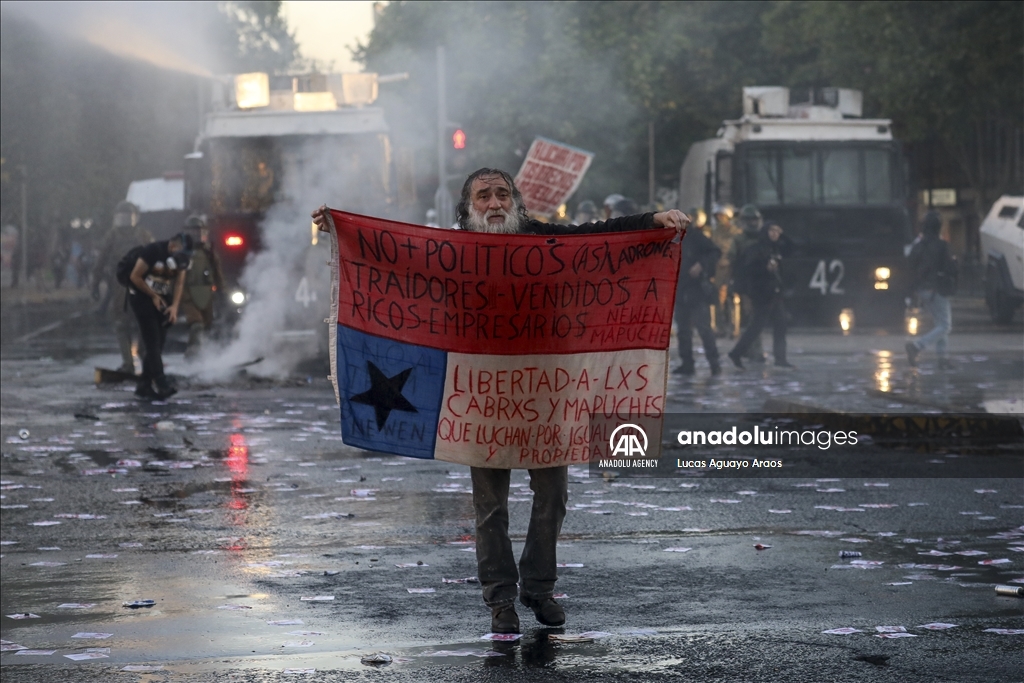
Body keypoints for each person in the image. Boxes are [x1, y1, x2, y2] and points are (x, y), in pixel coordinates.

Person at [313, 168, 689, 634]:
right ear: (469, 205)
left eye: (502, 194)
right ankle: (501, 601)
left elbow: (598, 237)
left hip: (548, 393)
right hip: (481, 397)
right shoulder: (452, 250)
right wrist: (340, 227)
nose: (495, 202)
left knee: (552, 497)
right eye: (484, 195)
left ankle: (539, 589)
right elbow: (393, 253)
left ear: (516, 201)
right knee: (490, 507)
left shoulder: (541, 238)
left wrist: (655, 219)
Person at [126, 233, 192, 399]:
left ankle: (144, 385)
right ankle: (161, 383)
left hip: (163, 297)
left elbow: (180, 282)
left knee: (160, 341)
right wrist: (153, 296)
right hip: (141, 296)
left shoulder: (182, 259)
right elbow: (135, 276)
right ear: (172, 246)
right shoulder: (153, 251)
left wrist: (175, 307)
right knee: (152, 340)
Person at [91, 201, 153, 374]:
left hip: (134, 285)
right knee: (124, 324)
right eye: (122, 217)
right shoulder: (116, 236)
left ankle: (134, 360)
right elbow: (101, 261)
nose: (125, 221)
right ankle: (132, 362)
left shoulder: (140, 235)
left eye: (128, 217)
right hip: (124, 285)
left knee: (130, 324)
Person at [727, 221, 794, 369]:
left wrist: (784, 235)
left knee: (780, 324)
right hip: (762, 293)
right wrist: (765, 269)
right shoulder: (756, 249)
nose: (775, 234)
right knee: (757, 326)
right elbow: (749, 270)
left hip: (774, 292)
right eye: (772, 231)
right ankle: (737, 353)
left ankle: (780, 358)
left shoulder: (776, 248)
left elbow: (791, 249)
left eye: (777, 232)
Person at [905, 211, 954, 369]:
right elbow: (949, 267)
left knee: (940, 323)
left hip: (922, 289)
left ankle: (942, 359)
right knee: (945, 325)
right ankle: (917, 346)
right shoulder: (942, 245)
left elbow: (910, 265)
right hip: (937, 288)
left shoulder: (918, 245)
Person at [674, 227, 721, 375]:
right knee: (683, 330)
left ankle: (714, 363)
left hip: (696, 288)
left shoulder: (694, 236)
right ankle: (687, 363)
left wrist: (701, 264)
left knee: (703, 328)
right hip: (679, 288)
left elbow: (714, 252)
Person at [179, 216, 224, 359]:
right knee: (197, 325)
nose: (196, 235)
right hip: (188, 295)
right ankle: (192, 353)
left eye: (199, 232)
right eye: (192, 232)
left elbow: (218, 274)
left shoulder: (209, 253)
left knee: (207, 328)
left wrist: (224, 292)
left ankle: (205, 357)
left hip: (206, 295)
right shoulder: (181, 254)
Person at [732, 204, 766, 363]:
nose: (753, 223)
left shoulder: (763, 238)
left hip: (760, 283)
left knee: (755, 319)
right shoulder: (738, 240)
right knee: (751, 318)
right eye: (749, 220)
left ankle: (751, 350)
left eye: (755, 220)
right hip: (746, 283)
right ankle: (753, 351)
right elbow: (735, 263)